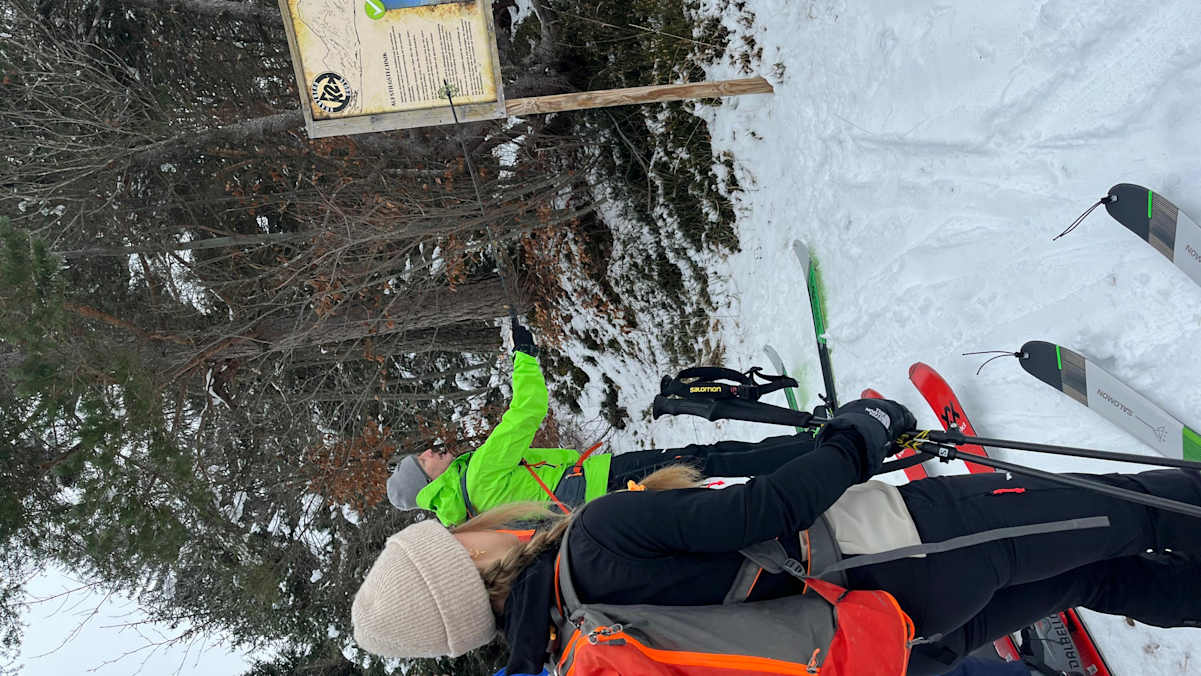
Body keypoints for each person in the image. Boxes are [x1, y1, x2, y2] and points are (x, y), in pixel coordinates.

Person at [353, 396, 1201, 675]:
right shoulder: (594, 541)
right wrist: (858, 435)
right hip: (903, 554)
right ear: (468, 563)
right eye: (452, 542)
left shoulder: (572, 648)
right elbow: (764, 514)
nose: (466, 529)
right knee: (1119, 509)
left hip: (891, 643)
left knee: (1095, 578)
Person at [387, 317, 813, 525]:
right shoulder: (477, 474)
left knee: (699, 481)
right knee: (704, 458)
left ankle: (797, 467)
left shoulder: (469, 519)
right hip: (603, 479)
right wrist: (524, 357)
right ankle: (811, 451)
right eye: (422, 461)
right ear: (428, 483)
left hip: (599, 512)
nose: (429, 452)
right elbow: (527, 411)